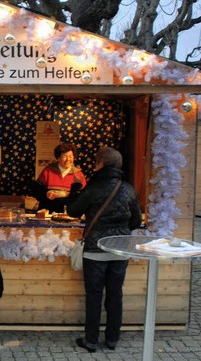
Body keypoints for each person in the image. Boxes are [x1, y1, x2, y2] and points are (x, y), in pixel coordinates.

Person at [65, 146, 142, 353]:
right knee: (115, 294)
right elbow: (136, 221)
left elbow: (72, 210)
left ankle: (91, 340)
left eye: (96, 161)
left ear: (102, 164)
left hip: (95, 251)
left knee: (94, 295)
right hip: (119, 251)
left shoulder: (94, 187)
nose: (94, 164)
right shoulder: (128, 188)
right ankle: (112, 339)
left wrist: (74, 187)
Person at [33, 142, 87, 213]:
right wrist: (46, 193)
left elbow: (83, 196)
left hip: (69, 214)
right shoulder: (48, 171)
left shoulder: (79, 175)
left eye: (70, 156)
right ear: (58, 158)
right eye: (65, 156)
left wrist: (68, 194)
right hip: (48, 213)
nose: (68, 159)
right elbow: (36, 190)